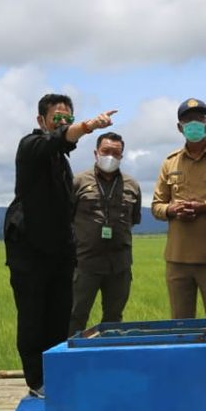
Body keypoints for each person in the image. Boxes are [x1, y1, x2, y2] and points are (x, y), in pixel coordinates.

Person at [3, 94, 117, 397]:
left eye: (68, 117)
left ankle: (56, 373)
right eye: (57, 118)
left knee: (58, 316)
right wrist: (87, 126)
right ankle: (36, 381)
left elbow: (62, 144)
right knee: (32, 317)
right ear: (41, 120)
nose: (63, 123)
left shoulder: (60, 159)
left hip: (59, 251)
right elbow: (57, 140)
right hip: (29, 251)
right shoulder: (31, 146)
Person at [151, 98, 206, 319]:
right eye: (188, 120)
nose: (194, 124)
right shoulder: (170, 163)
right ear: (179, 128)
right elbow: (156, 206)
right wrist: (172, 210)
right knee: (180, 325)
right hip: (177, 260)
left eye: (199, 119)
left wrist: (204, 207)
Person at [68, 131, 142, 333]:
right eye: (106, 151)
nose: (110, 156)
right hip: (85, 263)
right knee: (75, 315)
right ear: (96, 153)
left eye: (115, 153)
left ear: (121, 156)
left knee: (114, 318)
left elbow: (134, 219)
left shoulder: (132, 185)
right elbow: (67, 218)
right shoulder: (78, 182)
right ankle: (74, 361)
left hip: (120, 265)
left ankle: (108, 361)